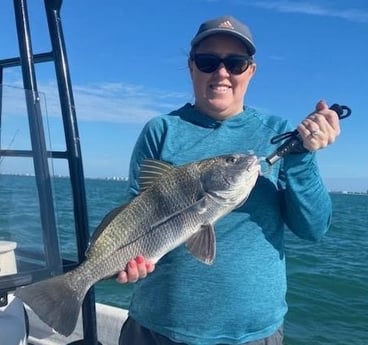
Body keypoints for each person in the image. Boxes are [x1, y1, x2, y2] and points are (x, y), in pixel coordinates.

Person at [116, 15, 340, 345]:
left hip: (252, 334)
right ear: (191, 66)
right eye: (208, 62)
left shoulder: (280, 134)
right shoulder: (160, 131)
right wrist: (127, 263)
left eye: (235, 63)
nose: (222, 73)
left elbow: (313, 228)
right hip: (157, 327)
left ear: (251, 71)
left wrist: (303, 156)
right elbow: (135, 214)